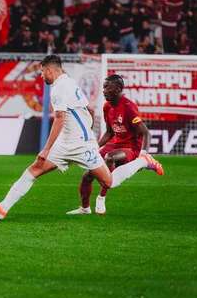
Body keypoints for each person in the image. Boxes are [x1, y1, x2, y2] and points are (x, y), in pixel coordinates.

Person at [0, 55, 163, 221]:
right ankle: (2, 208)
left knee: (109, 182)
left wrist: (47, 148)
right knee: (35, 168)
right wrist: (84, 131)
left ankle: (143, 161)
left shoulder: (59, 89)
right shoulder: (69, 82)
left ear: (50, 70)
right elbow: (87, 110)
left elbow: (60, 118)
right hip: (66, 142)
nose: (41, 76)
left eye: (42, 72)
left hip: (80, 145)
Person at [67, 75, 164, 215]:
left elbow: (146, 132)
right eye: (103, 87)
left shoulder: (128, 107)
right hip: (115, 144)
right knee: (87, 176)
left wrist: (144, 152)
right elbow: (109, 132)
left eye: (107, 87)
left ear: (118, 89)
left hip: (130, 147)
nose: (104, 90)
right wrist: (95, 147)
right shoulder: (107, 106)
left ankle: (102, 197)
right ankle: (85, 208)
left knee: (110, 157)